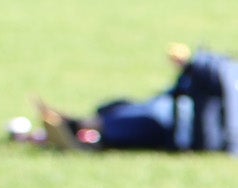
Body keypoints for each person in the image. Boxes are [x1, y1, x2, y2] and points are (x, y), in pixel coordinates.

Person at [15, 44, 237, 153]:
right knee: (133, 107)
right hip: (177, 111)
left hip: (181, 125)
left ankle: (80, 131)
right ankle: (74, 128)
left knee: (153, 116)